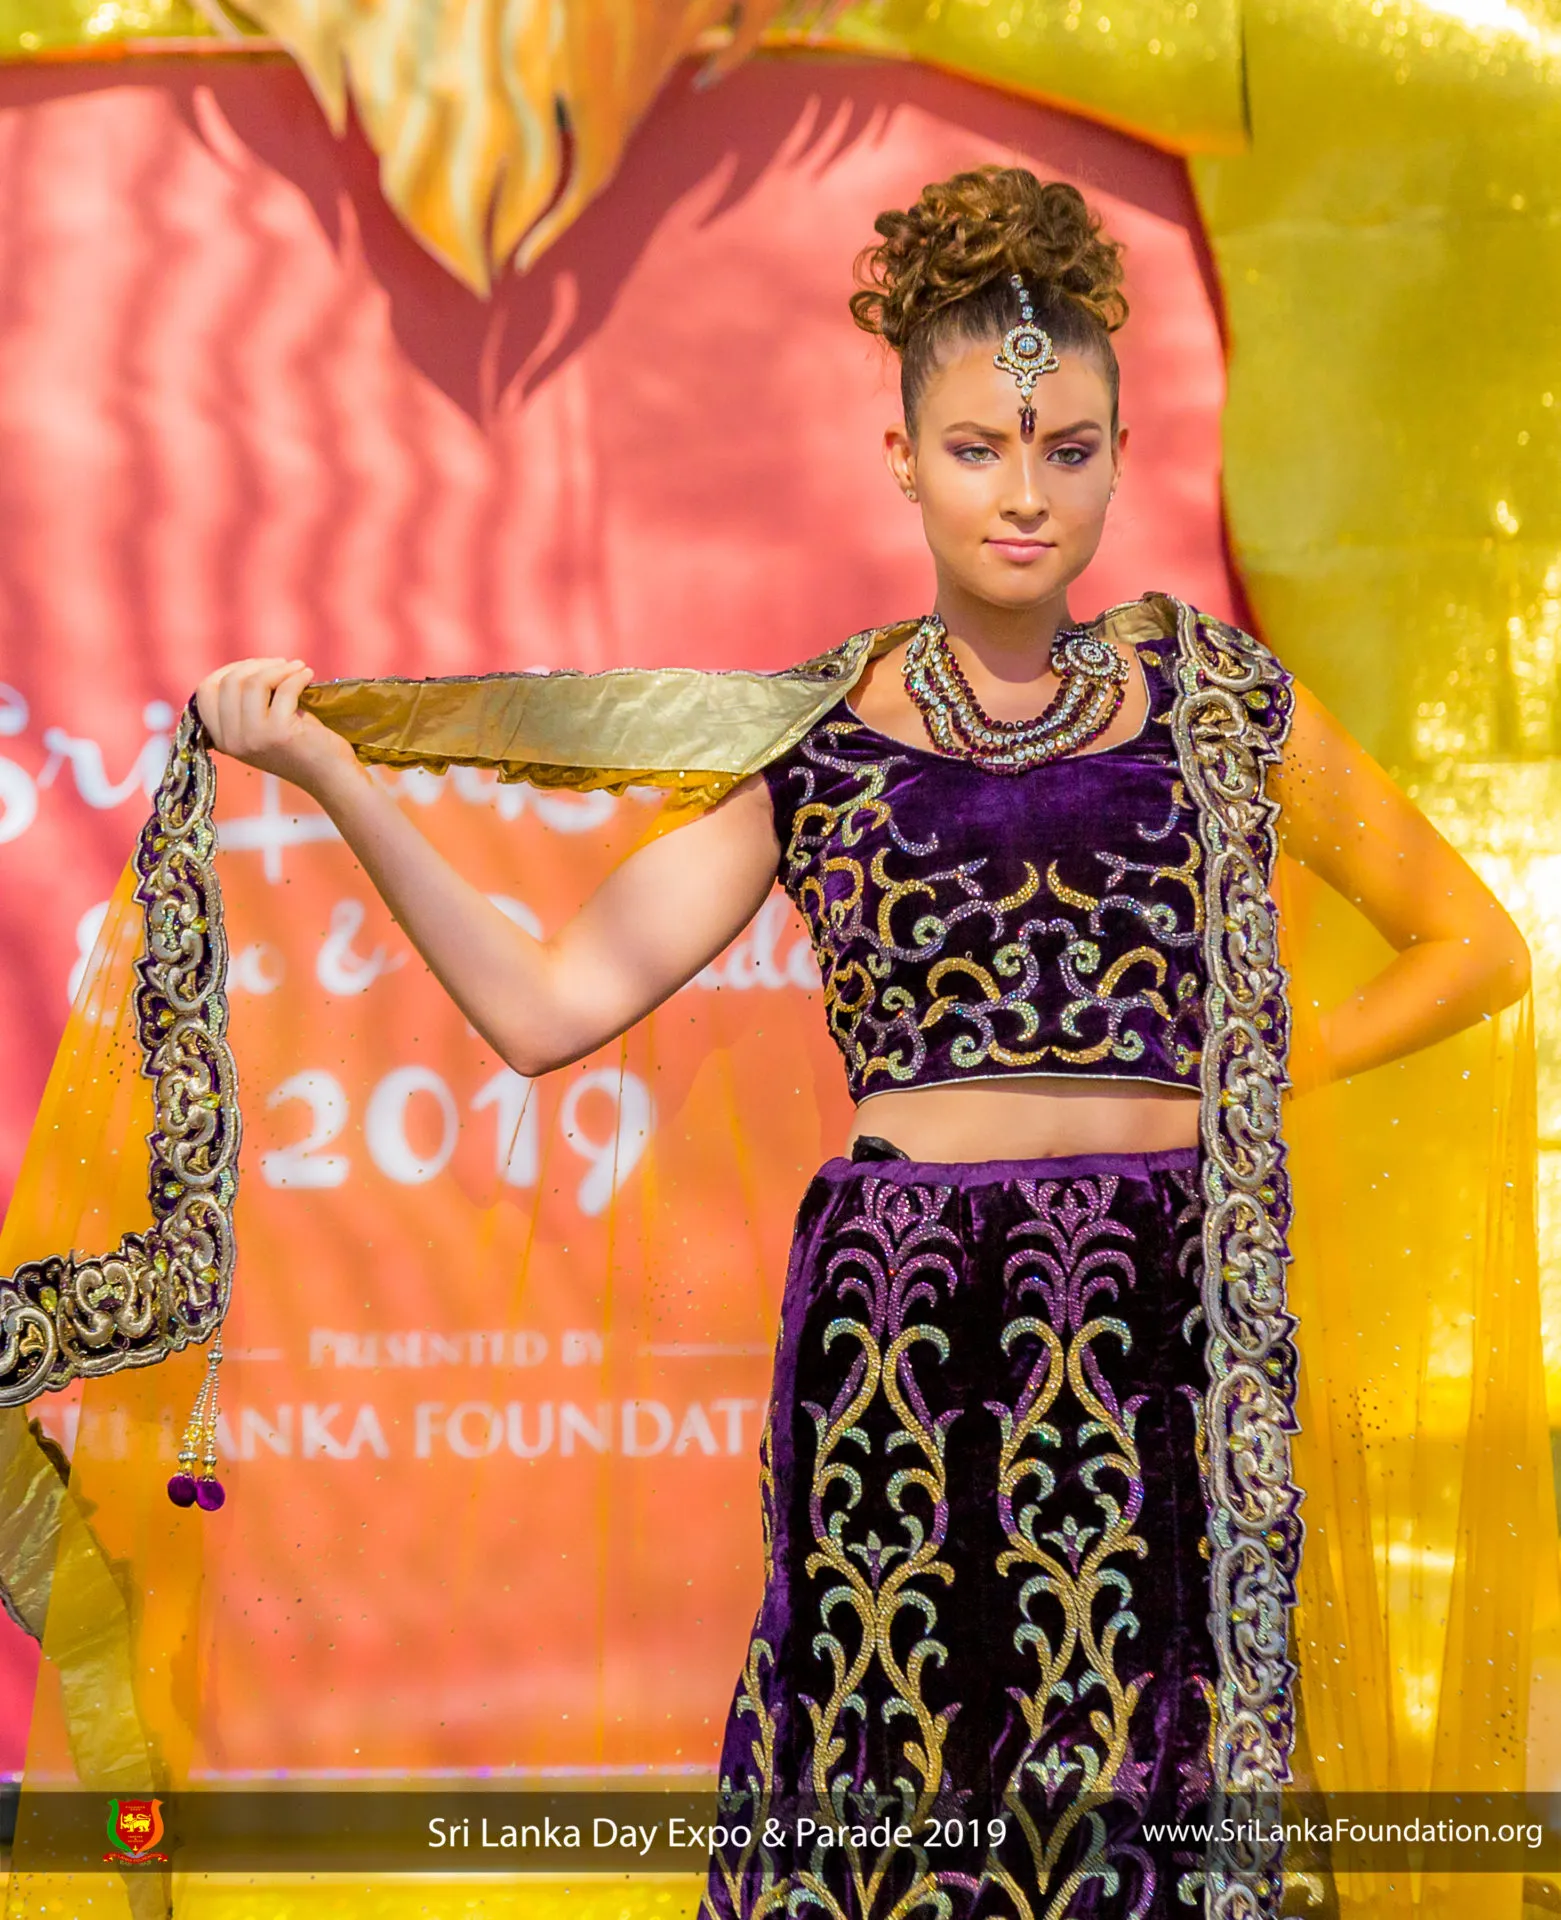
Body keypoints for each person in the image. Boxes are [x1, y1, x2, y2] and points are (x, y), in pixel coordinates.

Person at [195, 168, 1530, 1918]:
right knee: (896, 1796)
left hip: (1170, 1317)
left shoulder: (1217, 700)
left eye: (1067, 450)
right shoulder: (816, 736)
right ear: (903, 458)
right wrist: (331, 776)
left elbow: (1474, 949)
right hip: (905, 1331)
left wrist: (1260, 1086)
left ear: (1121, 458)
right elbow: (542, 1008)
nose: (1025, 492)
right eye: (978, 448)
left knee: (1154, 1803)